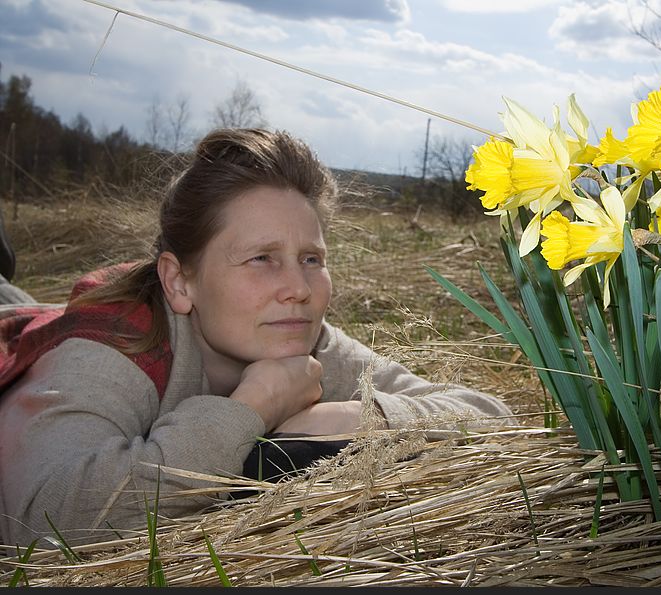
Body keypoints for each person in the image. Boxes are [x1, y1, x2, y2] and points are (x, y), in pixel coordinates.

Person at [0, 128, 512, 550]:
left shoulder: (307, 342)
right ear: (180, 282)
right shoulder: (114, 346)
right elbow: (43, 522)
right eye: (262, 258)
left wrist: (365, 416)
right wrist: (252, 409)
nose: (299, 289)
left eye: (311, 259)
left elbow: (493, 418)